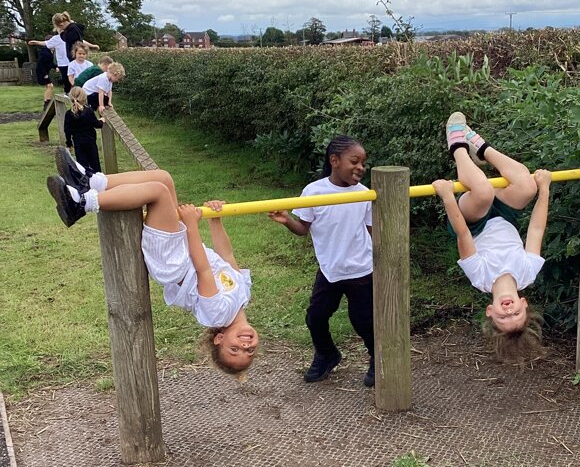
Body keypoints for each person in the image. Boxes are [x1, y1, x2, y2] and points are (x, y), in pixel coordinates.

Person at [46, 150, 259, 378]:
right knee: (163, 178)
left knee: (158, 192)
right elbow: (226, 255)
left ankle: (81, 204)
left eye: (234, 349)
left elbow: (203, 269)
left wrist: (192, 225)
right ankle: (90, 182)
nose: (244, 345)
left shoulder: (218, 315)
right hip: (181, 253)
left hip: (172, 263)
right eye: (249, 351)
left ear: (219, 339)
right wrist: (216, 220)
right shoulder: (244, 295)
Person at [433, 112, 553, 362]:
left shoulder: (480, 277)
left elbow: (462, 233)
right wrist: (544, 189)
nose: (508, 311)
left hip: (471, 221)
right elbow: (536, 230)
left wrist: (447, 196)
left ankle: (457, 146)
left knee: (483, 192)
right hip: (503, 216)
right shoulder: (527, 273)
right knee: (527, 186)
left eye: (502, 316)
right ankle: (481, 148)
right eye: (515, 314)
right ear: (524, 304)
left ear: (490, 311)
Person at [268, 136, 375, 387]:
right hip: (329, 269)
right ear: (334, 160)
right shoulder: (314, 191)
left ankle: (377, 358)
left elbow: (371, 231)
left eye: (363, 163)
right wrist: (287, 221)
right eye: (354, 161)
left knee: (364, 321)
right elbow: (303, 229)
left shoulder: (365, 194)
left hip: (360, 269)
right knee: (315, 317)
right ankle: (327, 354)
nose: (360, 167)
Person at [28, 12, 98, 94]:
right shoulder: (69, 30)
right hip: (68, 61)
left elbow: (79, 41)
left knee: (76, 76)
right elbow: (49, 42)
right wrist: (36, 42)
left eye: (60, 28)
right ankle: (71, 91)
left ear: (61, 24)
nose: (61, 30)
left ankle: (77, 92)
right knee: (69, 78)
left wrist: (92, 46)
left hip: (74, 59)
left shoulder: (71, 30)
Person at [64, 87, 105, 173]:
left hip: (78, 142)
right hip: (90, 141)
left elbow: (67, 130)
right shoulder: (88, 111)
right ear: (84, 97)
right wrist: (101, 120)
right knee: (95, 165)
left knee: (82, 167)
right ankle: (98, 179)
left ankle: (85, 180)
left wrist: (69, 143)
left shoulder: (69, 114)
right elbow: (97, 125)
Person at [34, 36, 56, 111]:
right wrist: (44, 74)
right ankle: (47, 102)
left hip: (45, 71)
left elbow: (49, 63)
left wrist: (55, 67)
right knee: (50, 86)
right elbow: (40, 64)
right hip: (42, 72)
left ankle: (47, 102)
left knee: (49, 86)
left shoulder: (48, 51)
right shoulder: (44, 52)